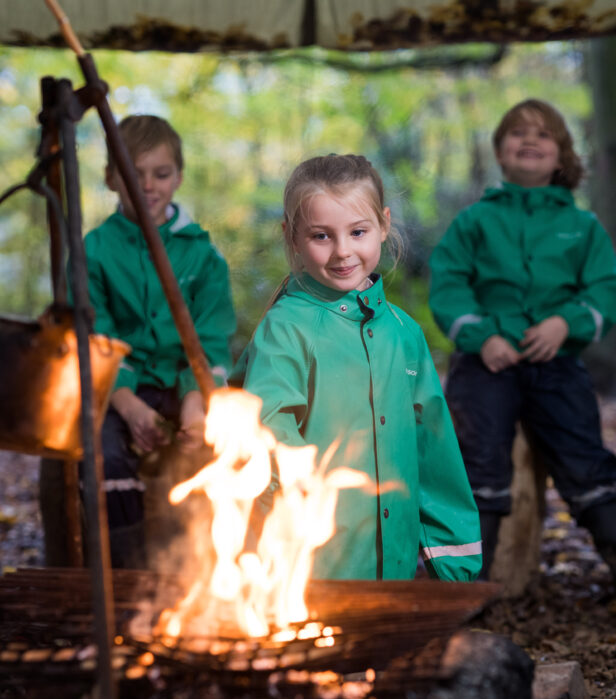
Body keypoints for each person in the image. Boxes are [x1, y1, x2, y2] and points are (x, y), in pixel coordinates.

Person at [429, 98, 616, 601]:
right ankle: (464, 585)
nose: (529, 139)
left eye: (543, 134)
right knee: (477, 459)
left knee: (584, 455)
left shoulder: (583, 226)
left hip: (556, 362)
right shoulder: (475, 221)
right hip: (486, 362)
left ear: (561, 156)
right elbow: (449, 285)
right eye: (517, 133)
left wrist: (564, 324)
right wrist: (481, 335)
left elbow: (605, 287)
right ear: (501, 153)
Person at [234, 153, 481, 581]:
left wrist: (453, 564)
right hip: (309, 570)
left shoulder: (404, 333)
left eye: (358, 231)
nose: (343, 251)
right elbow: (266, 429)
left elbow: (434, 449)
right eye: (321, 236)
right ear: (291, 237)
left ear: (384, 225)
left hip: (394, 568)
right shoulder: (286, 328)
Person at [79, 114, 237, 568]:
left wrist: (195, 401)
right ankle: (125, 576)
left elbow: (209, 340)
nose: (147, 185)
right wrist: (128, 406)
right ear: (111, 177)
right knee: (104, 455)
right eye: (132, 174)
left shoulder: (202, 254)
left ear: (179, 177)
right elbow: (96, 338)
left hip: (185, 384)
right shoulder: (94, 250)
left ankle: (200, 573)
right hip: (116, 390)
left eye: (161, 174)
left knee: (214, 447)